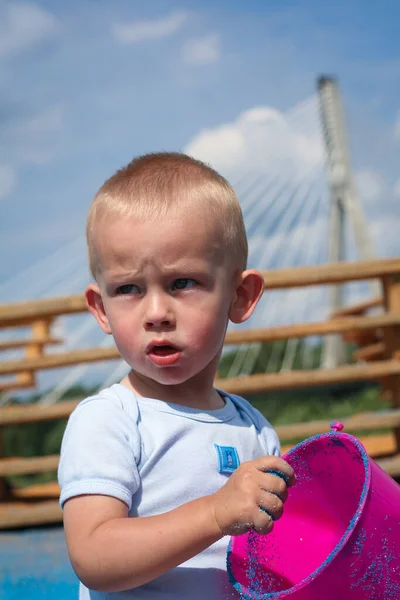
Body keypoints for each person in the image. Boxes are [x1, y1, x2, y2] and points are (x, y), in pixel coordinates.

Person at [58, 152, 295, 599]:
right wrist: (214, 514)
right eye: (128, 289)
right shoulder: (110, 421)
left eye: (182, 282)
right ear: (100, 307)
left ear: (241, 296)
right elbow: (93, 556)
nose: (156, 313)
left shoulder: (254, 429)